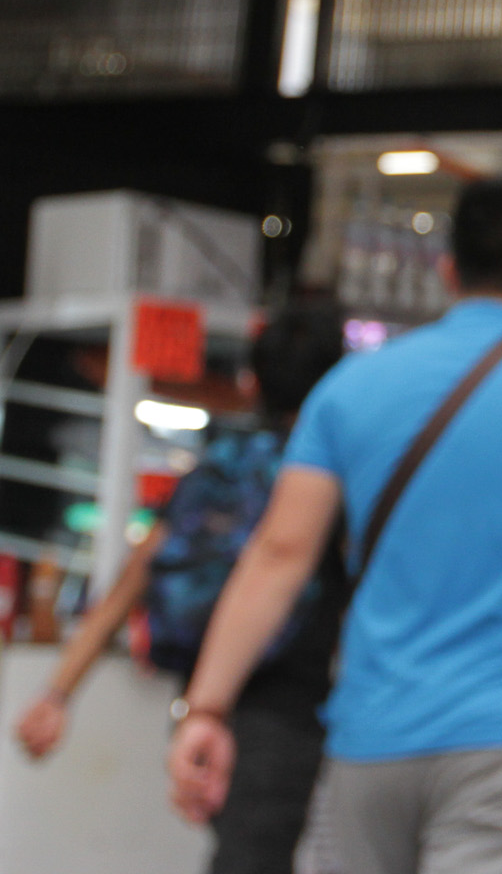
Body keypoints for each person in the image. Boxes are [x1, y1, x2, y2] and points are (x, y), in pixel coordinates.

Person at [166, 177, 502, 874]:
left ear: (449, 272)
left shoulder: (349, 390)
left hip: (371, 739)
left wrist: (207, 710)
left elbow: (279, 555)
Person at [16, 299, 347, 874]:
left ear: (251, 381)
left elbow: (131, 581)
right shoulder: (329, 479)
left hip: (204, 706)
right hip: (294, 712)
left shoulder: (221, 464)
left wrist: (57, 692)